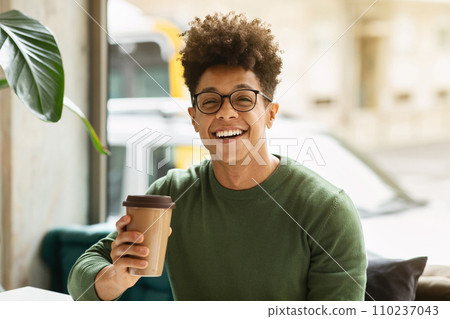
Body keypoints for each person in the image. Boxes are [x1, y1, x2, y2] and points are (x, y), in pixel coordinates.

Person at [68, 12, 367, 301]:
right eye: (210, 101)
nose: (226, 112)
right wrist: (118, 275)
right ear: (194, 118)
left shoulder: (328, 212)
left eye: (243, 99)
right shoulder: (172, 194)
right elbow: (81, 277)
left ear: (270, 114)